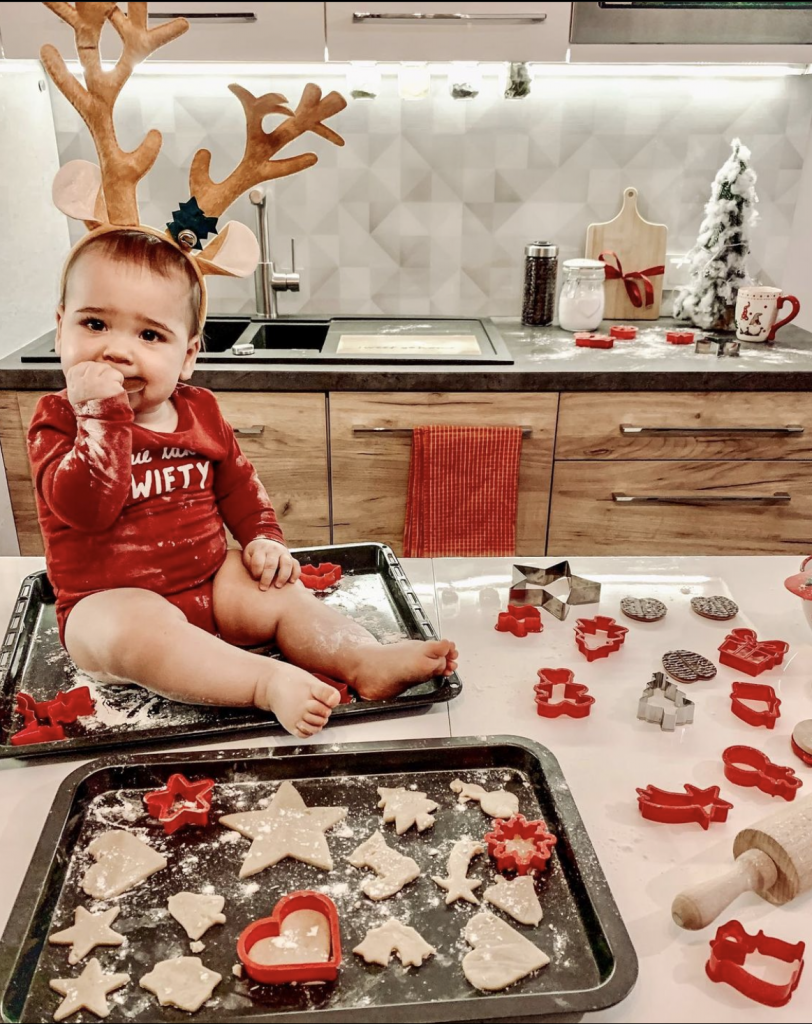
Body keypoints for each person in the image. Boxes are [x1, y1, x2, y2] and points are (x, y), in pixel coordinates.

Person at [27, 228, 458, 739]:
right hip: (108, 604)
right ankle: (265, 682)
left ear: (187, 355)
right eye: (95, 323)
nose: (117, 351)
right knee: (136, 627)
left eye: (149, 336)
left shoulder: (200, 410)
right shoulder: (60, 419)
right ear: (60, 330)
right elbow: (87, 509)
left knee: (281, 592)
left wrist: (262, 539)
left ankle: (362, 658)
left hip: (209, 584)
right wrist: (102, 416)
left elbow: (238, 485)